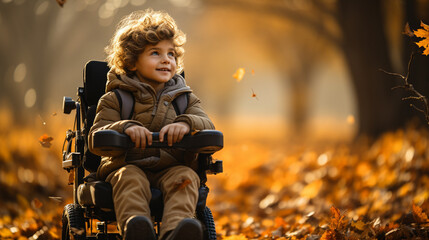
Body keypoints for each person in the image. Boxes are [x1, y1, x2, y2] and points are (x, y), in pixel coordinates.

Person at [88, 9, 215, 240]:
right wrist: (125, 127)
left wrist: (186, 123)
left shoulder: (185, 99)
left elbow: (206, 123)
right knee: (130, 179)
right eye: (155, 53)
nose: (167, 60)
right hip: (127, 164)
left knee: (185, 179)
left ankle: (176, 232)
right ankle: (138, 230)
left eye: (172, 54)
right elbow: (97, 134)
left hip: (172, 166)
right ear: (132, 62)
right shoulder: (115, 98)